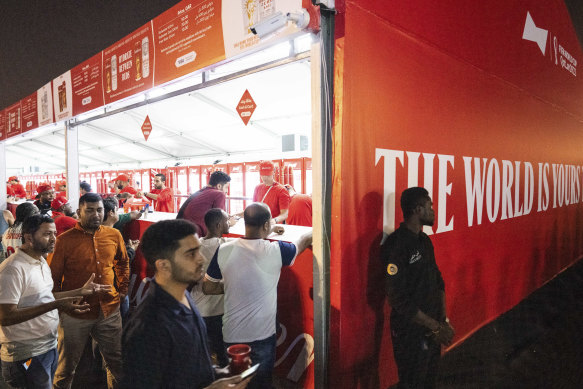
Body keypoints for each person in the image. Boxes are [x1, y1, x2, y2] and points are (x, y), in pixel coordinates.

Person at [122, 219, 252, 389]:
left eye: (198, 250)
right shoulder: (149, 327)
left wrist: (222, 373)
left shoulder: (184, 295)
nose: (201, 259)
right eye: (191, 254)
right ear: (163, 265)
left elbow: (185, 370)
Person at [204, 203, 312, 388]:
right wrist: (311, 231)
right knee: (261, 384)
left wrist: (234, 285)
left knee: (235, 384)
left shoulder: (223, 250)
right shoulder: (276, 251)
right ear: (265, 225)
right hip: (262, 336)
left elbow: (208, 287)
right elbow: (302, 241)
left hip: (231, 335)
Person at [0, 214, 110, 389]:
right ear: (29, 238)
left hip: (47, 346)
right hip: (26, 354)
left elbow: (44, 298)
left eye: (54, 233)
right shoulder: (12, 270)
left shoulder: (41, 261)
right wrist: (57, 305)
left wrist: (80, 291)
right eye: (47, 234)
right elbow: (5, 317)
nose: (54, 239)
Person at [49, 193, 130, 389]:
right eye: (90, 210)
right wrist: (61, 307)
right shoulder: (64, 241)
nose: (96, 214)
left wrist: (122, 289)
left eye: (100, 210)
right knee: (66, 368)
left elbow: (122, 262)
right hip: (76, 311)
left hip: (109, 310)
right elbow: (53, 278)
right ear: (79, 212)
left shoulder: (114, 235)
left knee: (117, 363)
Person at [380, 187, 455, 389]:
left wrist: (443, 321)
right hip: (410, 335)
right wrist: (435, 326)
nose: (433, 211)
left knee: (430, 381)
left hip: (432, 332)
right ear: (417, 210)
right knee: (413, 383)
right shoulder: (397, 245)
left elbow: (439, 282)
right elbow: (398, 299)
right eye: (430, 207)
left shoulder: (425, 241)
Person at [191, 208, 233, 367]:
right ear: (218, 225)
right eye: (227, 220)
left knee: (202, 356)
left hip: (197, 309)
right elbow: (251, 241)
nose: (229, 223)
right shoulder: (224, 245)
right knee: (223, 356)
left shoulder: (197, 244)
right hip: (216, 312)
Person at [177, 170, 235, 237]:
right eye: (226, 187)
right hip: (197, 238)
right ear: (219, 186)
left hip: (182, 235)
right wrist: (230, 223)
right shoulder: (219, 194)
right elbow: (219, 224)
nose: (227, 191)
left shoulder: (200, 192)